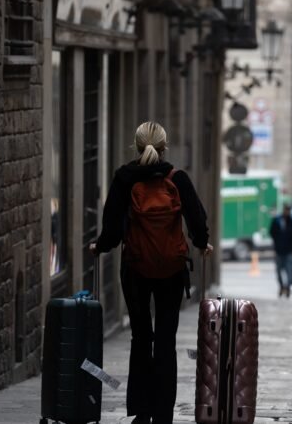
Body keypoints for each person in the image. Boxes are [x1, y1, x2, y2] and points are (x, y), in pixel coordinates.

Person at [90, 122, 212, 424]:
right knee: (166, 340)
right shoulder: (177, 178)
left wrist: (100, 247)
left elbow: (113, 230)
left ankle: (141, 412)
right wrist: (201, 243)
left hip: (135, 268)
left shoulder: (124, 178)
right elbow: (197, 218)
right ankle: (163, 414)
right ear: (163, 147)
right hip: (171, 269)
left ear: (136, 145)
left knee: (141, 337)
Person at [270, 204, 292, 298]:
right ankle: (281, 286)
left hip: (289, 251)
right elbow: (272, 233)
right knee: (279, 271)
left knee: (289, 271)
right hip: (279, 250)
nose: (286, 212)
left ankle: (287, 287)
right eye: (285, 210)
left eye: (288, 210)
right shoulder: (277, 221)